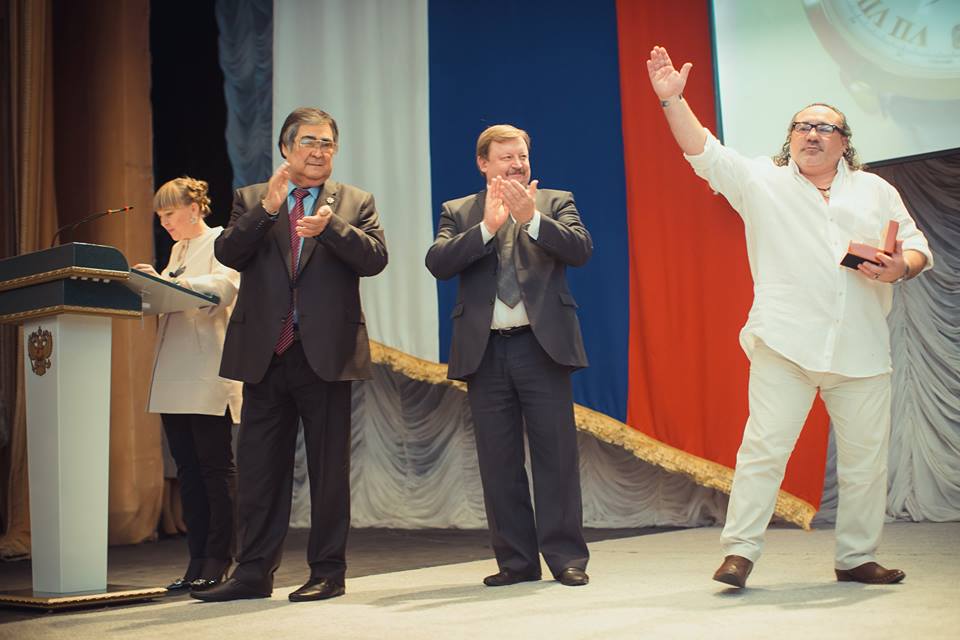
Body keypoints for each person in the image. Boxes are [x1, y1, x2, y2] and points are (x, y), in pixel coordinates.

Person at [645, 46, 933, 588]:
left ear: (845, 142)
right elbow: (703, 150)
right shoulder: (762, 181)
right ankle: (739, 553)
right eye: (802, 126)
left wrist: (901, 267)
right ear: (790, 137)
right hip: (784, 343)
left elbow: (917, 247)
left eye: (825, 127)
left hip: (862, 349)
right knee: (763, 450)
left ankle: (856, 557)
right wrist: (672, 101)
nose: (811, 134)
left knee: (866, 462)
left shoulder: (876, 190)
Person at [193, 108, 388, 602]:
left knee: (328, 471)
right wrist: (267, 210)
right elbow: (229, 253)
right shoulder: (253, 198)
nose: (318, 151)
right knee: (259, 470)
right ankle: (253, 574)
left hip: (326, 354)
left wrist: (331, 229)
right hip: (265, 354)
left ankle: (328, 572)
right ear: (285, 148)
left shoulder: (355, 201)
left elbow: (375, 259)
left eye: (327, 143)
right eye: (308, 142)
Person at [425, 124, 592, 588]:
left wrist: (530, 218)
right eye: (506, 158)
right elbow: (438, 263)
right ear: (483, 164)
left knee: (556, 457)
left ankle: (566, 558)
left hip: (542, 347)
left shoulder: (555, 202)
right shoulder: (459, 211)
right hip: (486, 351)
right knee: (498, 462)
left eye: (522, 156)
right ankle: (516, 562)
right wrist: (488, 227)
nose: (517, 165)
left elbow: (580, 250)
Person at [134, 176, 242, 592]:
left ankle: (219, 558)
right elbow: (169, 293)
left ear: (194, 209)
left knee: (214, 470)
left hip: (205, 370)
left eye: (169, 214)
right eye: (160, 217)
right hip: (173, 373)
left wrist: (168, 284)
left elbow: (224, 288)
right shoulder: (178, 250)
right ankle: (197, 559)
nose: (164, 223)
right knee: (189, 473)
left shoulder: (221, 241)